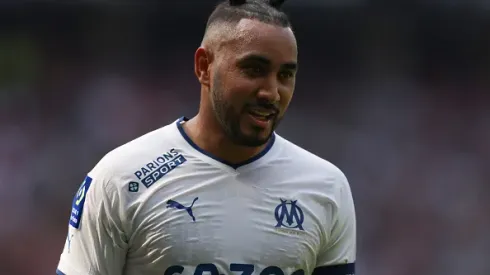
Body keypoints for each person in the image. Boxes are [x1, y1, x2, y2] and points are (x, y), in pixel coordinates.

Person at [55, 0, 356, 274]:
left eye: (285, 75)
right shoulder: (120, 178)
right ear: (204, 67)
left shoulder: (327, 187)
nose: (271, 93)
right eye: (253, 70)